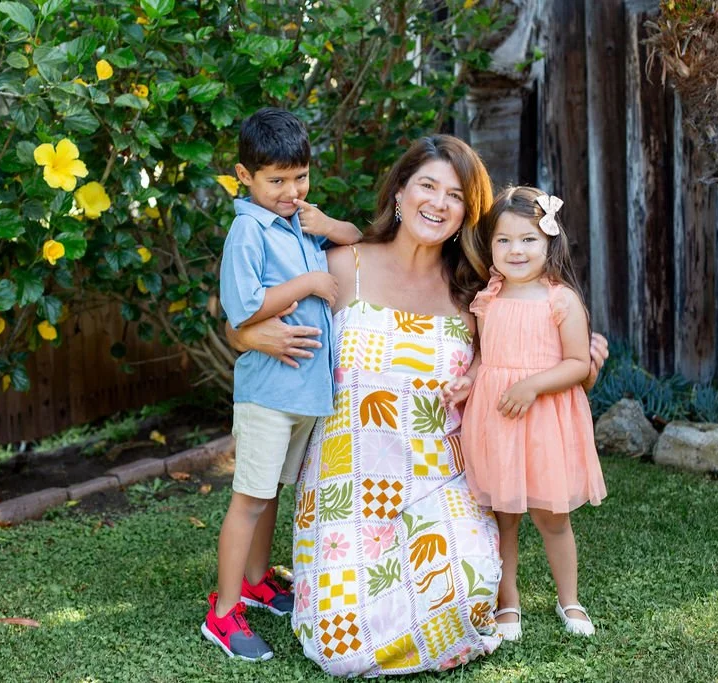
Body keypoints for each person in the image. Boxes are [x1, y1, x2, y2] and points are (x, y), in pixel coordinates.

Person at [231, 136, 609, 676]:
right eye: (427, 186)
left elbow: (532, 365)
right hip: (347, 487)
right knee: (342, 651)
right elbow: (238, 311)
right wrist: (249, 338)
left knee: (471, 589)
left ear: (467, 212)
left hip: (441, 478)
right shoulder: (340, 265)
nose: (437, 203)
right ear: (401, 192)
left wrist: (586, 362)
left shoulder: (478, 289)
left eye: (454, 195)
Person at [204, 107, 362, 662]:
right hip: (269, 393)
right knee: (248, 500)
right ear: (245, 176)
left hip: (301, 392)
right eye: (277, 180)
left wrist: (323, 225)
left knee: (271, 492)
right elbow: (243, 307)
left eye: (300, 177)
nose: (291, 190)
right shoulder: (248, 229)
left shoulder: (296, 218)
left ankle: (256, 580)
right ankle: (223, 615)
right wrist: (312, 281)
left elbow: (357, 237)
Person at [444, 186, 607, 640]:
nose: (516, 250)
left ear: (550, 242)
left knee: (552, 516)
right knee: (502, 516)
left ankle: (569, 599)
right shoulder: (487, 298)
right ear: (489, 245)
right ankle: (508, 601)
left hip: (544, 422)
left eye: (529, 239)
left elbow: (577, 363)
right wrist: (468, 382)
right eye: (504, 240)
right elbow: (484, 356)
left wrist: (532, 385)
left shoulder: (561, 299)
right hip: (496, 418)